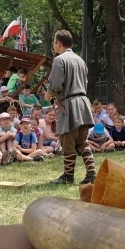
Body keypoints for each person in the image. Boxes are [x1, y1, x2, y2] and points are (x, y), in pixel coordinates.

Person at [44, 29, 96, 185]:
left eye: (54, 42)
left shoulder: (60, 60)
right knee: (82, 142)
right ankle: (92, 174)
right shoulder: (80, 60)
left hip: (69, 104)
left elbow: (56, 85)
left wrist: (49, 94)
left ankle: (68, 176)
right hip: (83, 103)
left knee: (68, 142)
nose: (54, 45)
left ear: (58, 43)